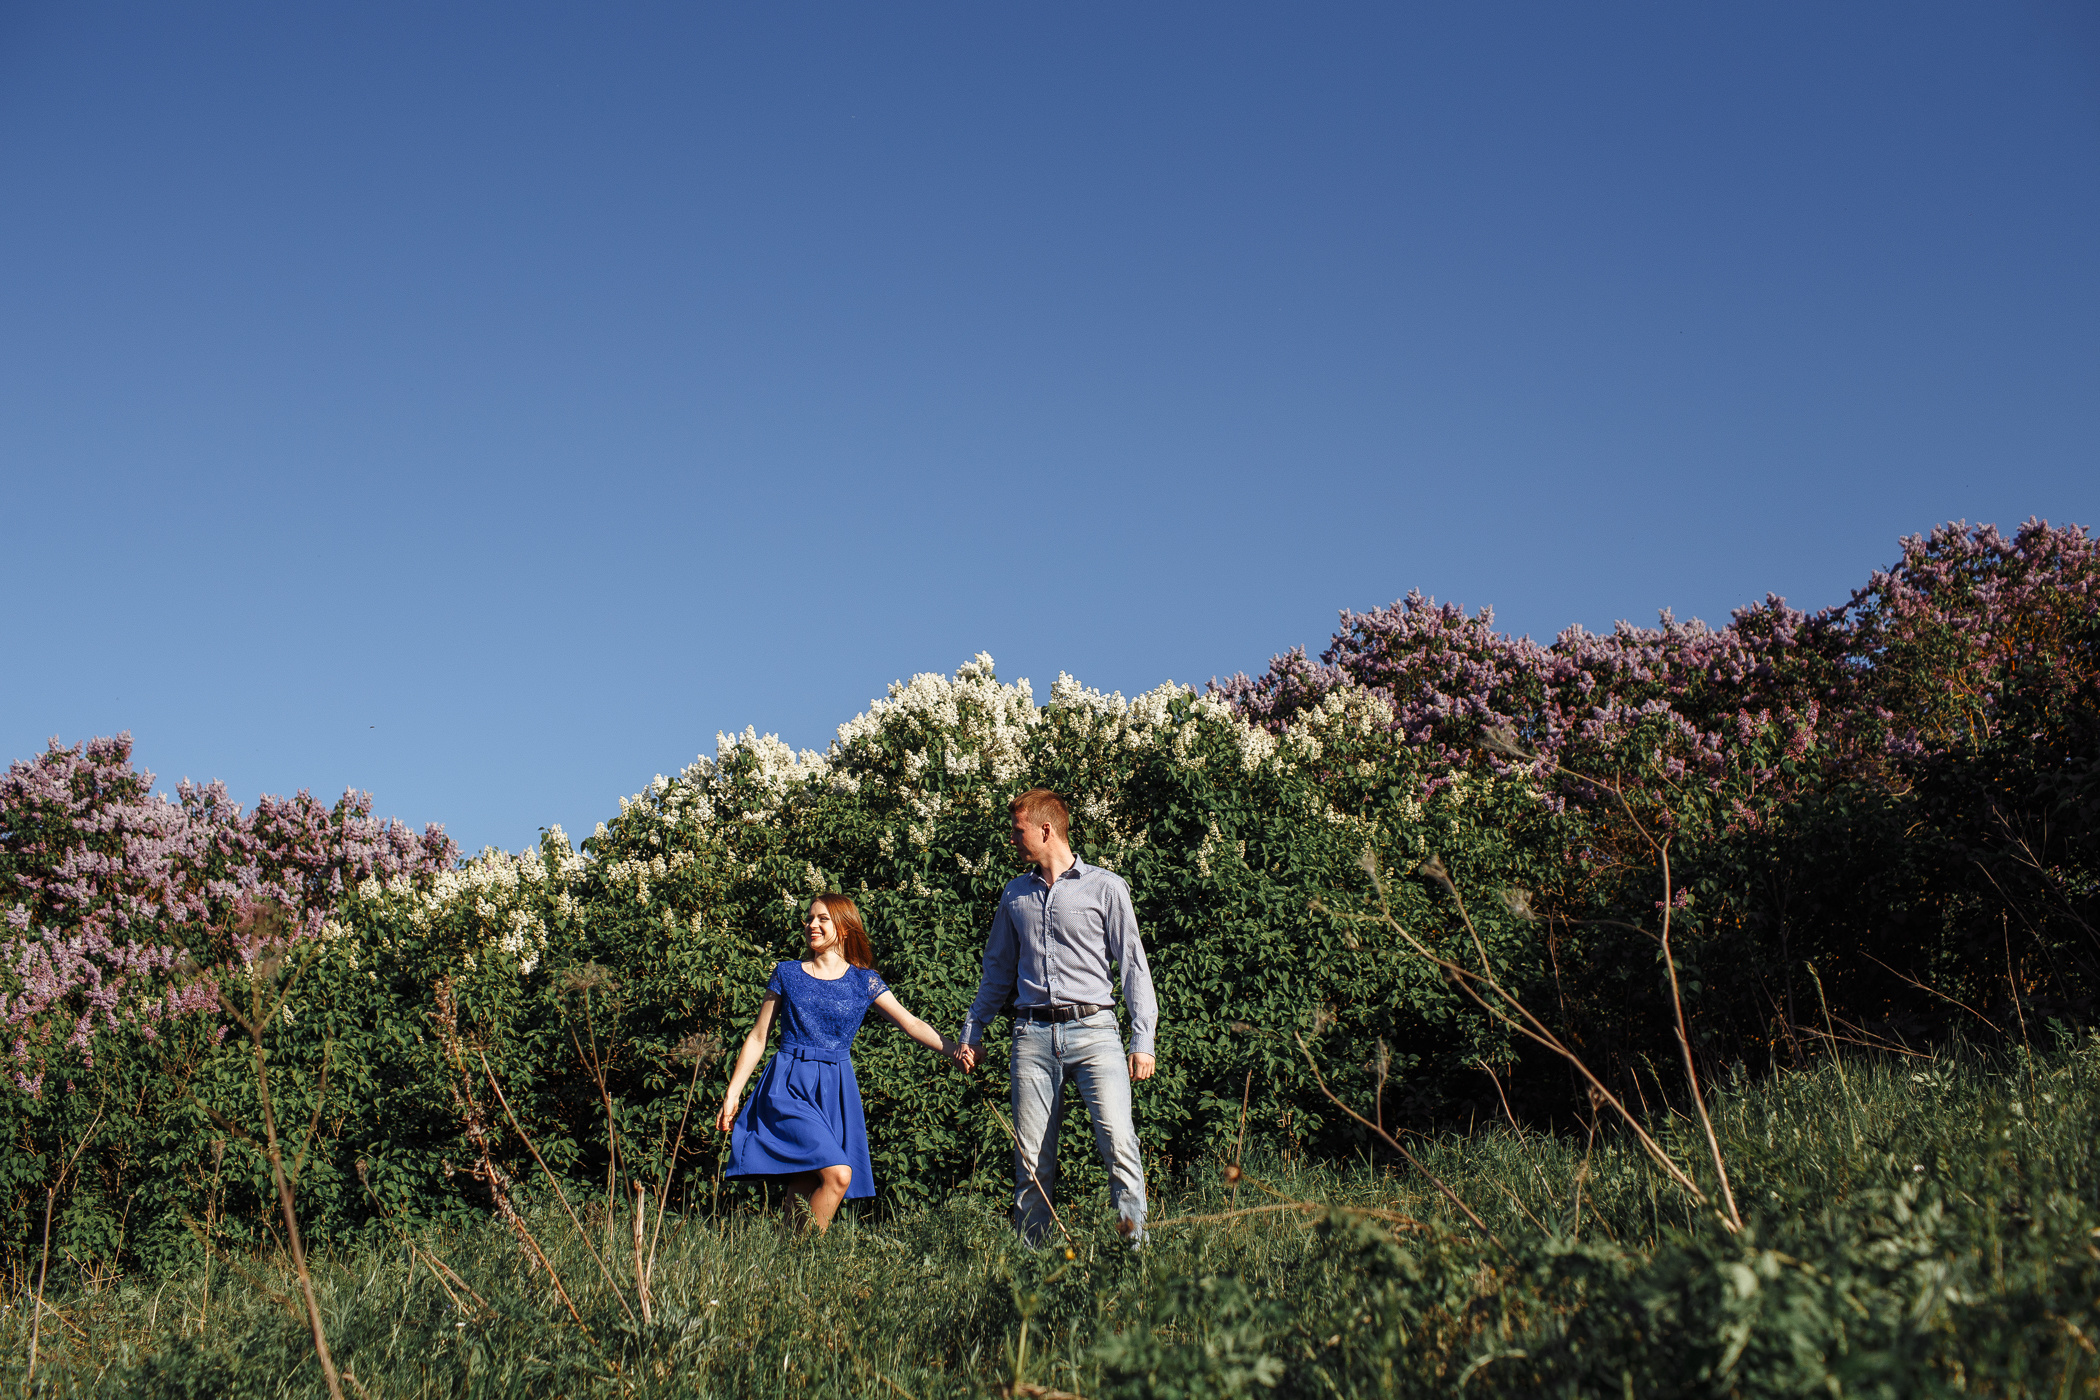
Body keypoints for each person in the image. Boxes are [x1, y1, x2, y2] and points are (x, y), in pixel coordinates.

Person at [957, 788, 1158, 1245]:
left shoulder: (1106, 887)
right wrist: (973, 1029)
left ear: (1046, 829)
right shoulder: (1015, 894)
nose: (1012, 838)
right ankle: (1033, 1263)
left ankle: (1134, 1255)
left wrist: (1142, 1040)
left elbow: (1133, 966)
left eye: (1018, 830)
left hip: (1095, 1032)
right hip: (1031, 1036)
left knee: (1120, 1146)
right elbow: (997, 971)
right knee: (1031, 1161)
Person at [716, 893, 957, 1232]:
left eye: (822, 919)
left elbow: (911, 1023)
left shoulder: (864, 981)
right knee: (839, 1174)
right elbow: (758, 1036)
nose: (811, 925)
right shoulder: (787, 973)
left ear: (844, 928)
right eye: (809, 919)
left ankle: (785, 1256)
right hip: (788, 1083)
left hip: (835, 1088)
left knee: (805, 1179)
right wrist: (733, 1094)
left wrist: (956, 1050)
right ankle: (808, 1252)